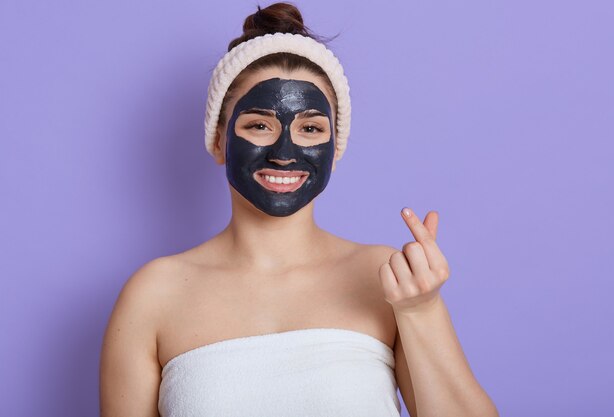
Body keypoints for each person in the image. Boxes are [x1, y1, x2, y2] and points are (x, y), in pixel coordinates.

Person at [100, 3, 499, 416]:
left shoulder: (386, 278)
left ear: (335, 147)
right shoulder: (154, 295)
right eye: (259, 125)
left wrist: (421, 310)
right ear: (219, 141)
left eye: (310, 129)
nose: (285, 153)